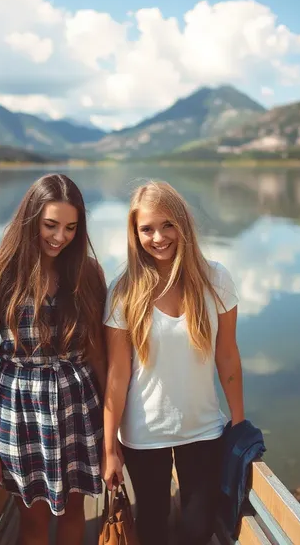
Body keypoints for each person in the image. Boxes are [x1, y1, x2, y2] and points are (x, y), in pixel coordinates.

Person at [0, 173, 107, 545]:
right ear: (30, 220)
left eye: (71, 227)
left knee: (75, 510)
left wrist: (114, 425)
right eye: (51, 225)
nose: (61, 237)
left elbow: (98, 353)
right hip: (21, 411)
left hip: (80, 406)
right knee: (34, 521)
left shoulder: (87, 273)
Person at [102, 181, 244, 545]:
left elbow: (227, 353)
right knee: (151, 523)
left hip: (203, 429)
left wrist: (239, 422)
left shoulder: (216, 279)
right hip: (142, 433)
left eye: (167, 225)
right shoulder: (125, 290)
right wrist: (109, 447)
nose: (158, 237)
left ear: (183, 223)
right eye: (146, 229)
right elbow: (117, 375)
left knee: (198, 529)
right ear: (135, 234)